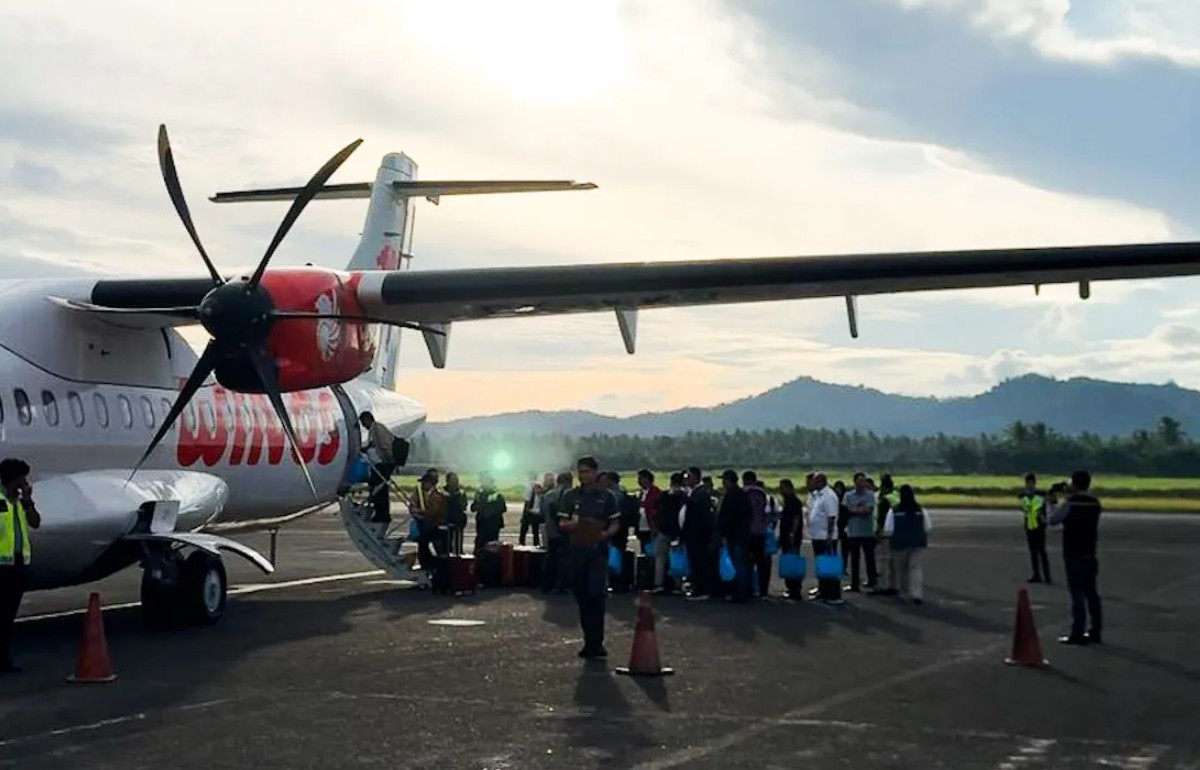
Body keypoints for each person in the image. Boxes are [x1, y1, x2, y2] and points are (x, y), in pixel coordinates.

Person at [557, 456, 620, 659]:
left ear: (595, 472)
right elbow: (561, 522)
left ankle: (597, 641)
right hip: (577, 549)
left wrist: (606, 534)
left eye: (587, 472)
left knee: (596, 597)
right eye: (581, 472)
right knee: (582, 597)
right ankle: (588, 640)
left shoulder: (607, 496)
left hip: (597, 552)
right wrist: (572, 525)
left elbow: (615, 522)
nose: (584, 475)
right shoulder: (570, 496)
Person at [1048, 471, 1102, 646]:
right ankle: (1095, 630)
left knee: (1076, 594)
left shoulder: (1071, 503)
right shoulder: (1095, 503)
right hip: (1090, 551)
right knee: (1091, 593)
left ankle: (1076, 633)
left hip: (1073, 552)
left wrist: (1051, 503)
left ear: (1075, 484)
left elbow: (1052, 520)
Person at [0, 458, 40, 672]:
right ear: (11, 480)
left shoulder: (19, 502)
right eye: (21, 479)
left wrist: (28, 501)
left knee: (7, 617)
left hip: (16, 566)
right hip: (1, 566)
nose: (25, 483)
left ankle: (4, 659)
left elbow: (35, 522)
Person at [883, 484, 932, 604]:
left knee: (900, 569)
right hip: (917, 543)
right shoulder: (920, 510)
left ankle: (903, 592)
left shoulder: (894, 510)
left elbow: (888, 529)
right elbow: (927, 527)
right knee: (915, 568)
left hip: (899, 544)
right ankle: (916, 594)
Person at [717, 470, 753, 603]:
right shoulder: (742, 495)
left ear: (728, 480)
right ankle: (743, 591)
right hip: (742, 534)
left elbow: (727, 517)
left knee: (738, 565)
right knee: (742, 564)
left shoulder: (731, 496)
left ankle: (739, 593)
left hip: (735, 535)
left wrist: (723, 533)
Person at [808, 472, 843, 605]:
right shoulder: (818, 496)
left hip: (825, 537)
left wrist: (829, 536)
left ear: (821, 482)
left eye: (815, 482)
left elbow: (831, 517)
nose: (813, 484)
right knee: (822, 566)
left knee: (829, 566)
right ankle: (824, 591)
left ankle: (834, 595)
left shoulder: (829, 496)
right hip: (817, 536)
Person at [682, 466, 716, 601]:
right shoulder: (694, 492)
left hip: (698, 536)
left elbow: (699, 515)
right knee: (695, 562)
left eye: (688, 477)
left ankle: (701, 590)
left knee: (699, 563)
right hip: (692, 535)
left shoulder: (701, 493)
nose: (686, 481)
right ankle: (698, 587)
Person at [743, 471, 776, 600]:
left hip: (747, 532)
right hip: (761, 533)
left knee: (747, 563)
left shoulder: (744, 494)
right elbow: (769, 514)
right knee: (762, 563)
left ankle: (749, 589)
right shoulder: (764, 495)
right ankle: (763, 591)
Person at [843, 472, 878, 592]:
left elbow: (868, 510)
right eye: (860, 481)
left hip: (867, 531)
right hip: (853, 532)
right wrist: (860, 510)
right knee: (854, 559)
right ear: (855, 482)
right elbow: (846, 511)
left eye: (863, 481)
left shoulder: (870, 495)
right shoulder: (848, 495)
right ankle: (855, 584)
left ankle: (872, 582)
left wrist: (854, 510)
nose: (862, 483)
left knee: (870, 558)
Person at [359, 411, 396, 523]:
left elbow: (384, 445)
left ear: (367, 419)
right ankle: (380, 512)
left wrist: (389, 460)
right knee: (377, 487)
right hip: (380, 464)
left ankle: (382, 514)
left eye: (363, 422)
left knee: (379, 488)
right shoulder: (374, 430)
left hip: (383, 464)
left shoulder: (377, 428)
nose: (363, 426)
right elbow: (374, 444)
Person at [540, 471, 573, 594]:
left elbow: (542, 513)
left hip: (550, 530)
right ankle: (561, 584)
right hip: (565, 529)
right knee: (565, 557)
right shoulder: (569, 494)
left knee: (551, 557)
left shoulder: (547, 495)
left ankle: (546, 584)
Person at [653, 472, 685, 594]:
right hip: (677, 532)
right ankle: (677, 585)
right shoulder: (683, 497)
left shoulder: (664, 496)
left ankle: (659, 584)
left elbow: (656, 512)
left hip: (663, 530)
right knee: (677, 558)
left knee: (660, 559)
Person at [870, 474, 900, 597]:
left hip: (885, 533)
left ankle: (883, 586)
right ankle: (894, 585)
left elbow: (882, 519)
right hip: (897, 532)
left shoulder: (885, 500)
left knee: (883, 560)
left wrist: (878, 533)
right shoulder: (896, 496)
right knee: (894, 561)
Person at [1019, 473, 1052, 584]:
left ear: (1034, 483)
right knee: (1033, 551)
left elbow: (1050, 504)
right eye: (1027, 483)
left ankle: (1047, 576)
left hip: (1039, 526)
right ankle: (1036, 574)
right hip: (1029, 525)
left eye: (1030, 482)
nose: (1028, 485)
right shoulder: (1024, 495)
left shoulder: (1041, 494)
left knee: (1041, 551)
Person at [777, 478, 805, 601]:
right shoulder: (788, 501)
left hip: (791, 536)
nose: (780, 490)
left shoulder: (794, 501)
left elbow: (796, 519)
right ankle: (791, 589)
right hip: (787, 536)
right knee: (789, 561)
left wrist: (792, 534)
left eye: (782, 487)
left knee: (792, 562)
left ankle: (795, 590)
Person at [520, 473, 552, 547]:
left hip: (531, 511)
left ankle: (522, 544)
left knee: (524, 529)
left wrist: (525, 512)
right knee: (535, 531)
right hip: (537, 512)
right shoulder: (542, 486)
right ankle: (536, 545)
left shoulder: (528, 486)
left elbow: (527, 501)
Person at [444, 472, 468, 556]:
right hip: (446, 520)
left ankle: (458, 556)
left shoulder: (461, 492)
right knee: (446, 544)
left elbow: (464, 505)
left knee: (458, 544)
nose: (455, 482)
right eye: (452, 480)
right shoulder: (443, 491)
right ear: (447, 481)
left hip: (458, 520)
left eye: (456, 480)